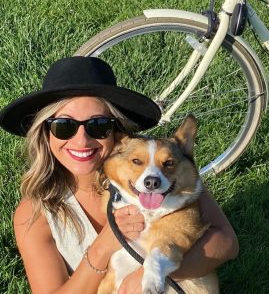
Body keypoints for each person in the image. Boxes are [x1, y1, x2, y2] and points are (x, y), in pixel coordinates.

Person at [0, 56, 239, 294]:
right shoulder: (36, 213)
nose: (82, 141)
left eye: (98, 125)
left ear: (117, 131)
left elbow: (227, 243)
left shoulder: (159, 173)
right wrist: (103, 247)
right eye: (64, 126)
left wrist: (152, 275)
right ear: (45, 133)